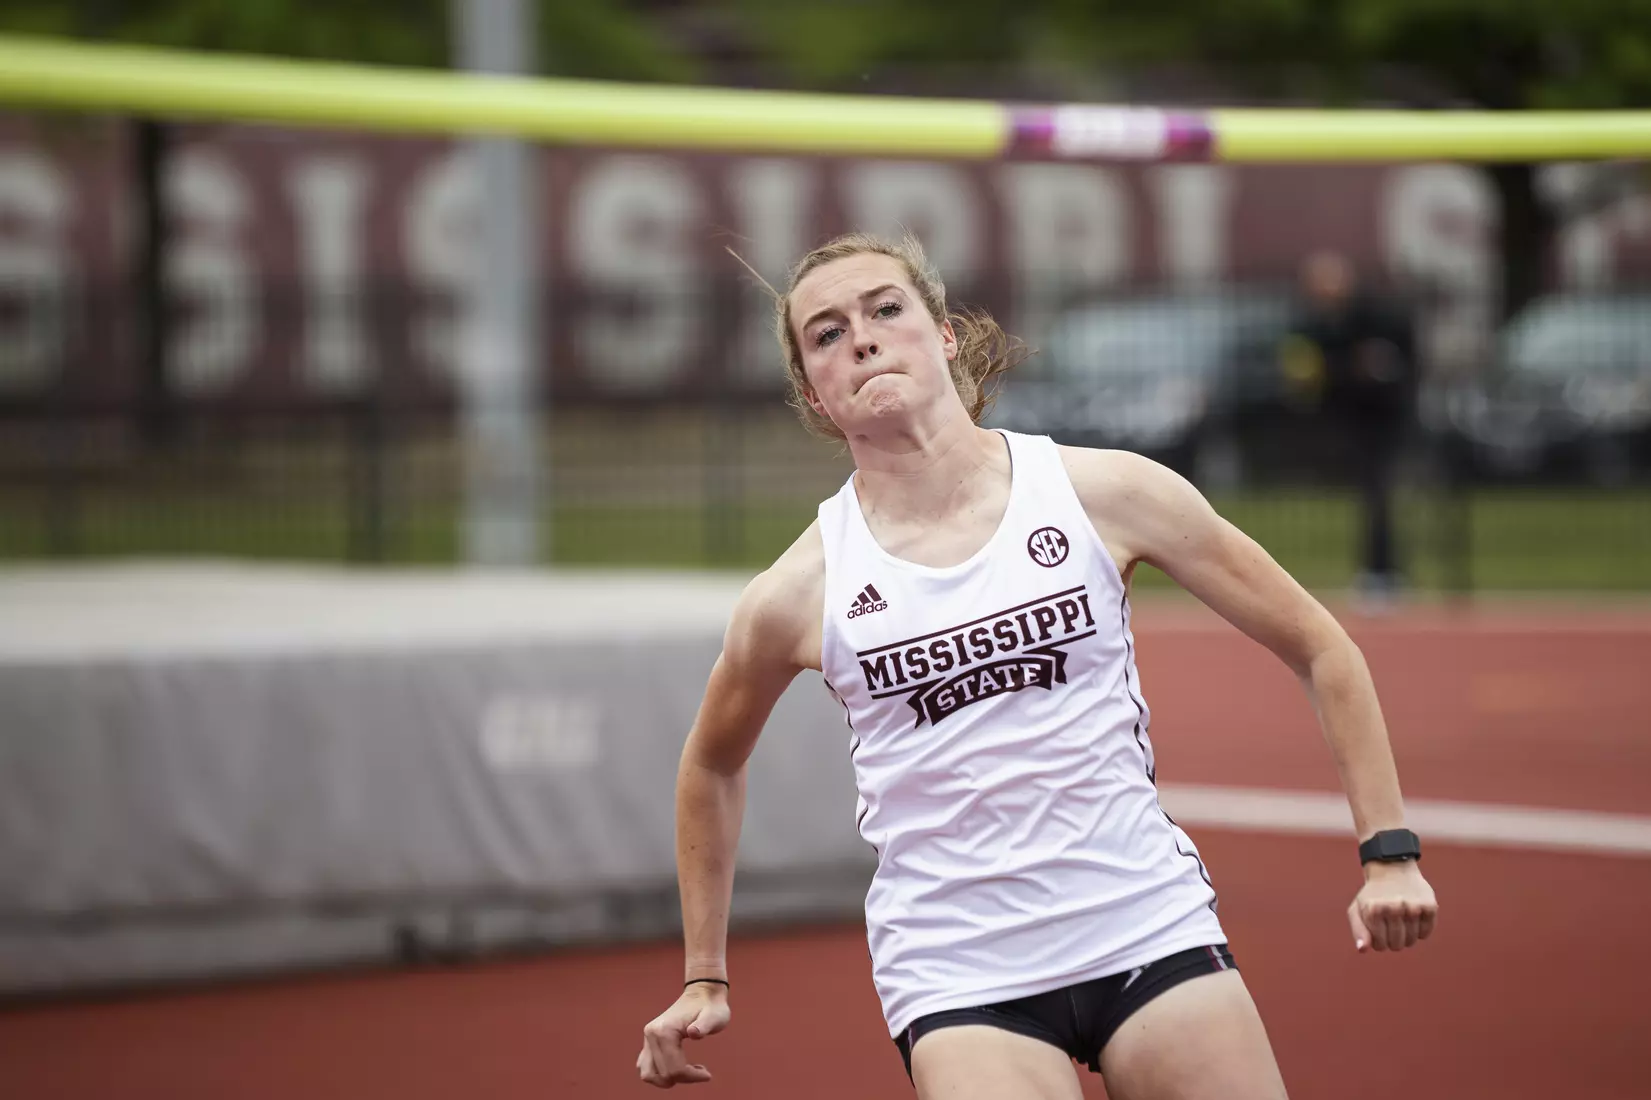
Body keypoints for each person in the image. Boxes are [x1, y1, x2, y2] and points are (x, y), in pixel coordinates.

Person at [636, 231, 1438, 1099]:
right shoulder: (798, 591)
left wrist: (1387, 850)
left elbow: (1318, 644)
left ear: (943, 334)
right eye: (826, 334)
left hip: (1140, 926)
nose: (861, 338)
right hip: (959, 972)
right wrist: (703, 974)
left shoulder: (1105, 493)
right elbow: (711, 761)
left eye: (884, 309)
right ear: (812, 391)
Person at [1281, 250, 1422, 600]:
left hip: (1386, 418)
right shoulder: (1314, 325)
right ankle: (1376, 570)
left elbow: (1397, 363)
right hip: (1350, 419)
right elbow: (1308, 372)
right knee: (1368, 492)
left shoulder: (1377, 317)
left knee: (1379, 493)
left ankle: (1383, 573)